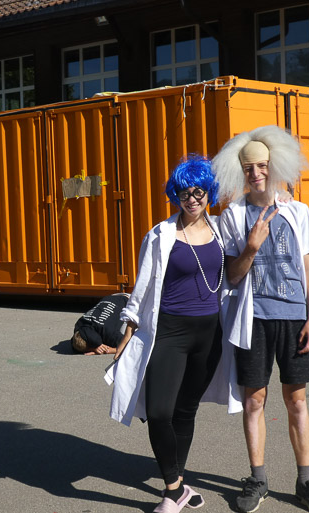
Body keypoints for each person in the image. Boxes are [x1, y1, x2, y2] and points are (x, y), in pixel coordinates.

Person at [213, 126, 309, 513]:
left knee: (296, 400)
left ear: (274, 165)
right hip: (254, 321)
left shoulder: (297, 211)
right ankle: (258, 479)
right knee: (254, 400)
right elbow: (231, 276)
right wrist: (250, 247)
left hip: (295, 318)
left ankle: (306, 480)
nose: (256, 173)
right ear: (239, 171)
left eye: (262, 165)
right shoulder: (232, 216)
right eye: (249, 167)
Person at [107, 155, 232, 513]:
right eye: (183, 193)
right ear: (174, 195)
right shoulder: (161, 235)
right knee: (160, 411)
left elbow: (253, 213)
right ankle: (174, 488)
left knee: (186, 410)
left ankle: (175, 484)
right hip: (170, 331)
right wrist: (127, 332)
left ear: (209, 192)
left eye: (198, 191)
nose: (191, 199)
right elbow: (142, 286)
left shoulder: (222, 230)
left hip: (209, 334)